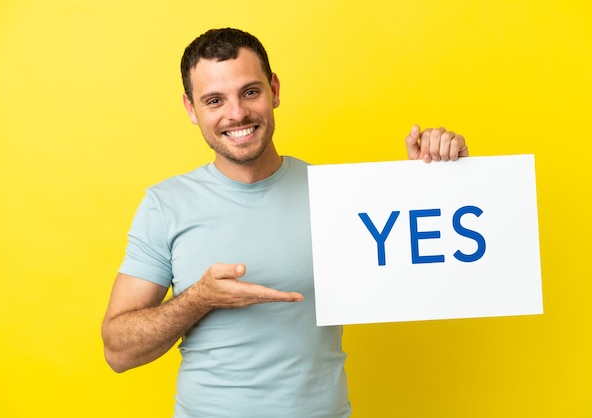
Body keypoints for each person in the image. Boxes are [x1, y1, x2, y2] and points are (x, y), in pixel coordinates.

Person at [101, 28, 468, 417]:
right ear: (191, 109)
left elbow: (426, 262)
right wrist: (199, 298)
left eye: (250, 91)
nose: (237, 113)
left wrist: (434, 181)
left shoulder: (337, 197)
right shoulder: (165, 206)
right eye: (214, 100)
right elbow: (118, 351)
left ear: (274, 89)